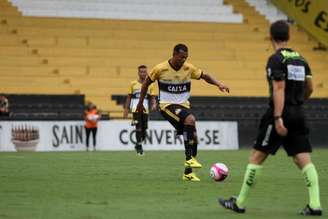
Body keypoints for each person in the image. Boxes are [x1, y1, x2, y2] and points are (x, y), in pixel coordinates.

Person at [219, 20, 322, 216]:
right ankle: (315, 205)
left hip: (279, 113)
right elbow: (309, 88)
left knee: (256, 157)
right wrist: (297, 104)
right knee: (304, 161)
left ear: (271, 37)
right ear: (288, 36)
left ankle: (239, 203)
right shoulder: (301, 59)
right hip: (298, 112)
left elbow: (279, 87)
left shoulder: (276, 59)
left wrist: (277, 117)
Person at [136, 44, 230, 182]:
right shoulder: (160, 69)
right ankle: (189, 159)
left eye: (185, 57)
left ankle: (188, 173)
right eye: (181, 57)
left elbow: (205, 76)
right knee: (190, 119)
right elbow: (145, 84)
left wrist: (219, 84)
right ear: (173, 54)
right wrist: (140, 103)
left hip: (183, 106)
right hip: (167, 106)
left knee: (195, 138)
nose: (183, 60)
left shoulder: (189, 68)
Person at [123, 65, 157, 155]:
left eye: (144, 72)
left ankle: (138, 144)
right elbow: (129, 97)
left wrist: (154, 104)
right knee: (138, 127)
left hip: (145, 109)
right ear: (138, 73)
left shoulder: (150, 84)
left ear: (147, 73)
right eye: (141, 71)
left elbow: (152, 97)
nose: (142, 73)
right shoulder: (133, 84)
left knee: (144, 130)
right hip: (135, 109)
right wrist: (126, 109)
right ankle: (139, 148)